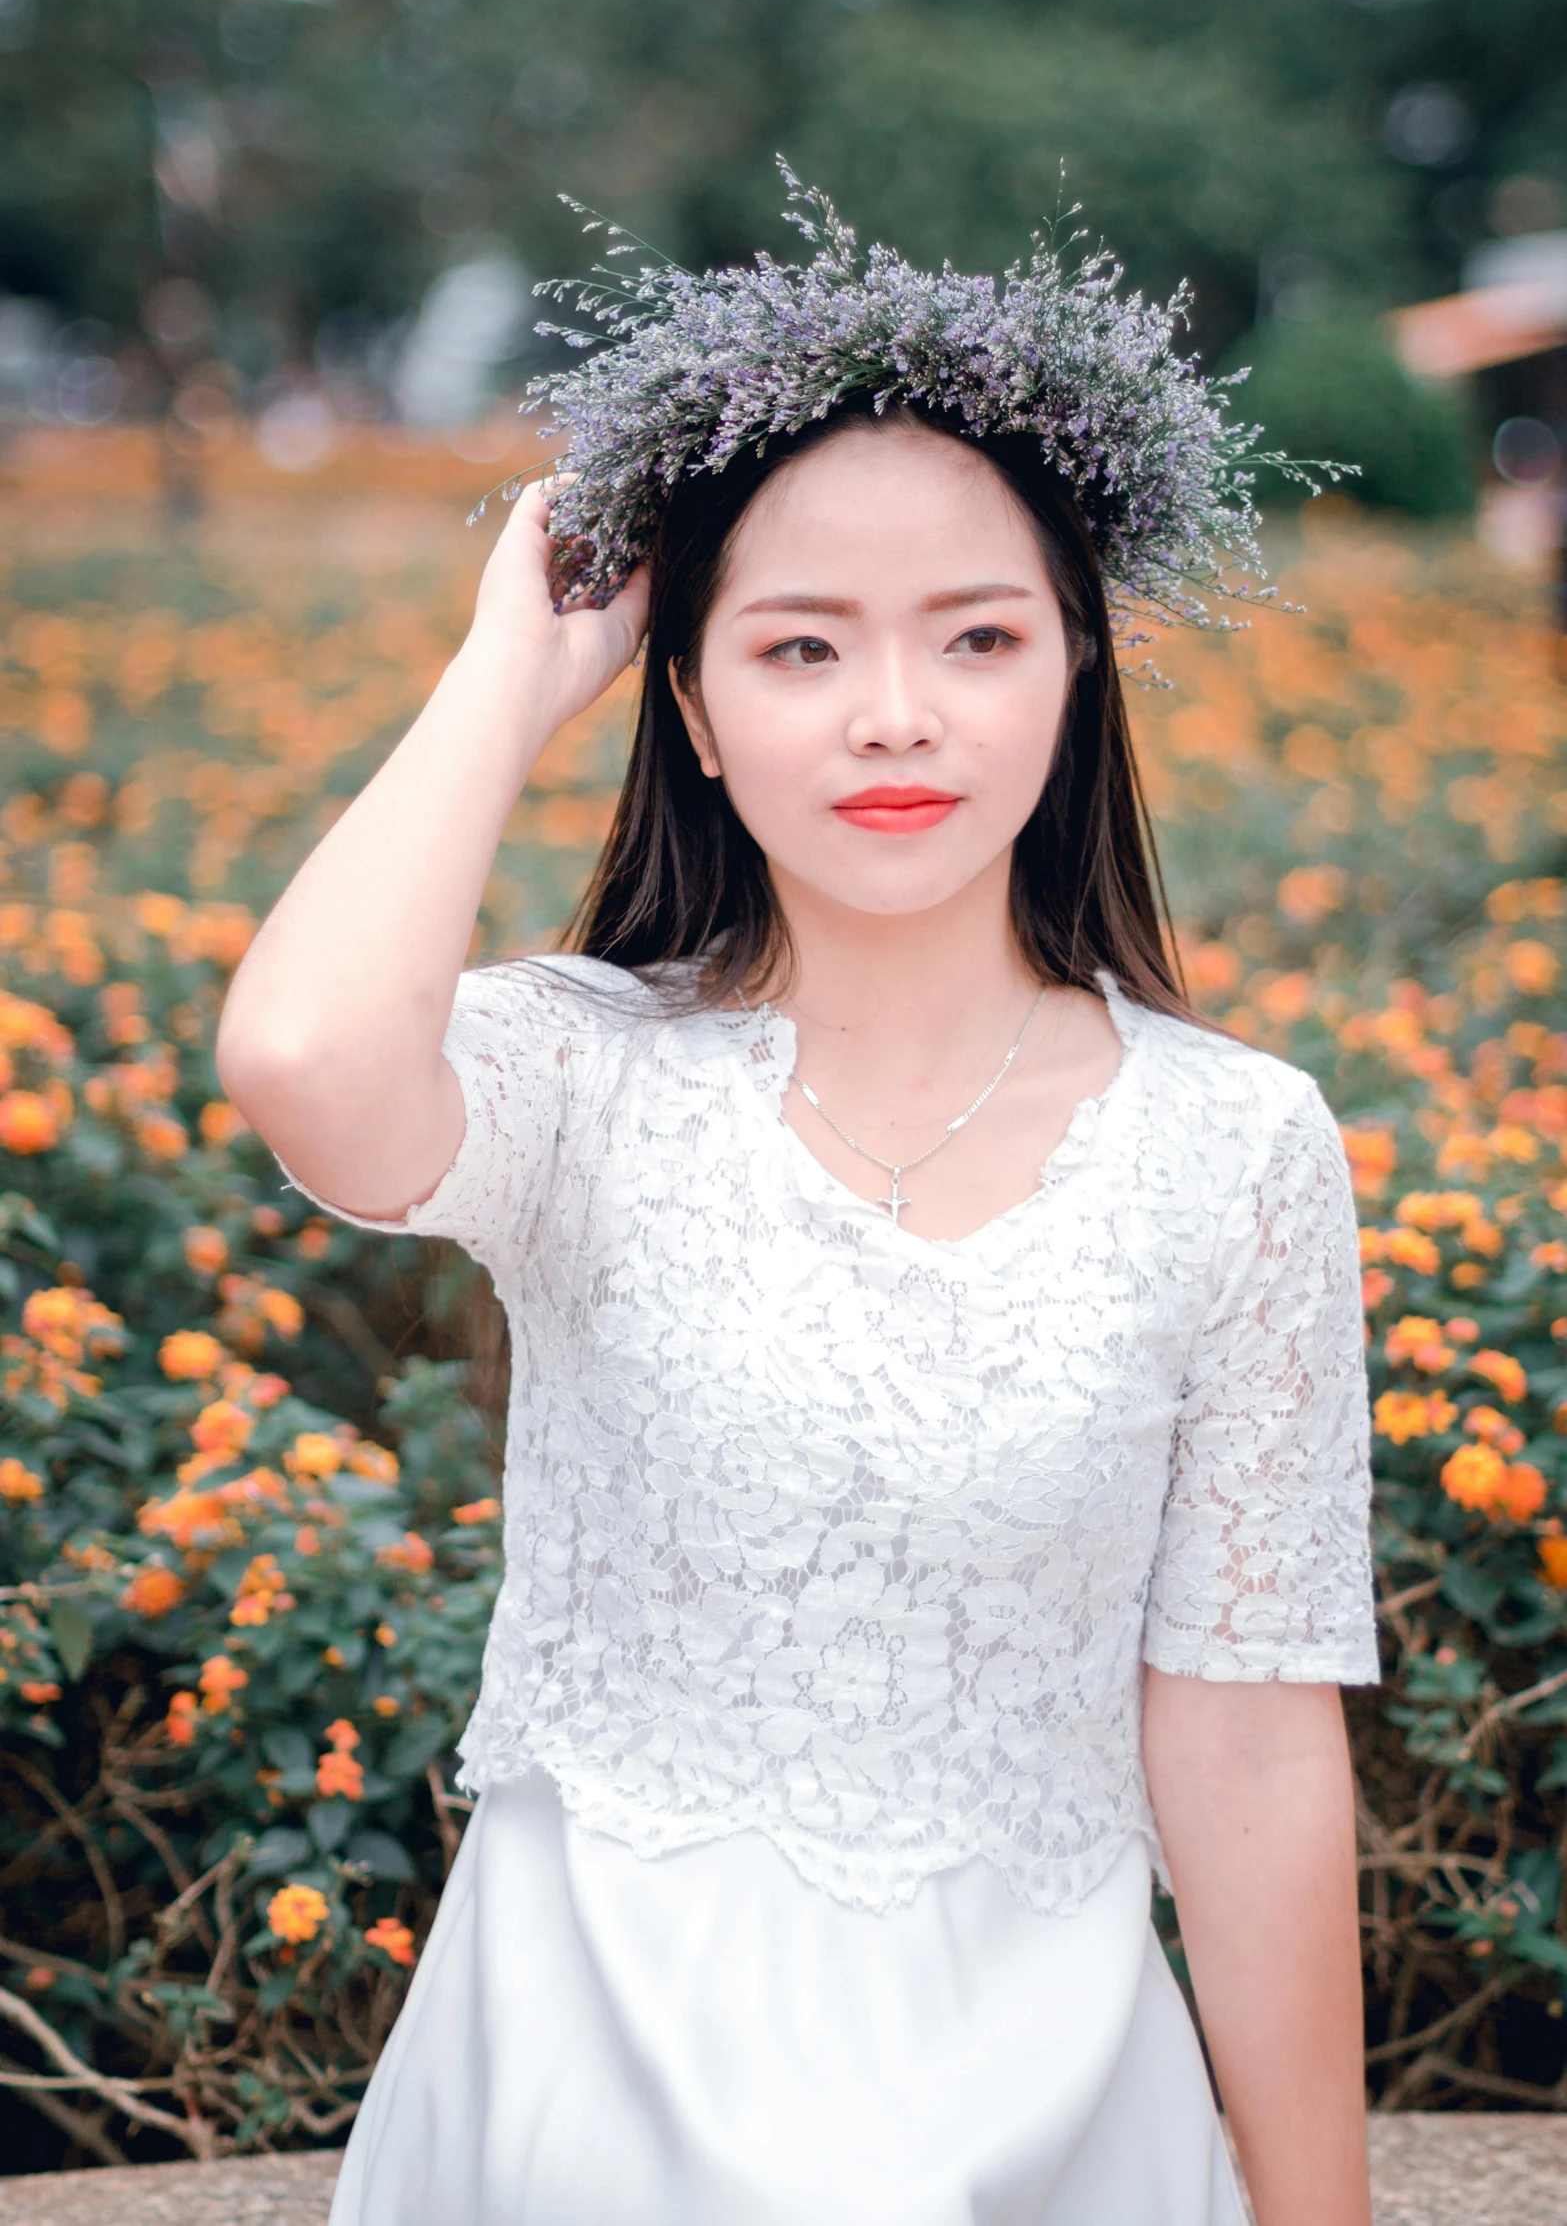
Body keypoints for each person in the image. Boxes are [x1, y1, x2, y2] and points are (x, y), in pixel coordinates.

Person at [218, 178, 1378, 2226]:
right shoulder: (583, 1074)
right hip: (593, 2094)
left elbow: (1257, 1745)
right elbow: (307, 1060)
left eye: (979, 635)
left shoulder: (1239, 1143)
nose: (896, 713)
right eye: (801, 643)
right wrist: (515, 664)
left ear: (1080, 670)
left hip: (1053, 2107)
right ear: (692, 702)